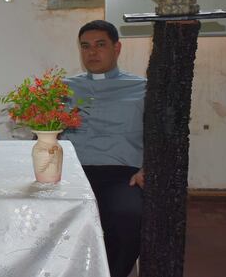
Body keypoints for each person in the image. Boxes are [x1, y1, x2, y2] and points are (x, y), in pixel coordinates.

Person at [62, 20, 146, 277]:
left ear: (117, 48)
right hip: (71, 172)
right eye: (85, 46)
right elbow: (44, 131)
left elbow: (164, 137)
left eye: (100, 45)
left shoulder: (142, 88)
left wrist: (150, 167)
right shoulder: (64, 88)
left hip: (122, 173)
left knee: (128, 217)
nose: (92, 52)